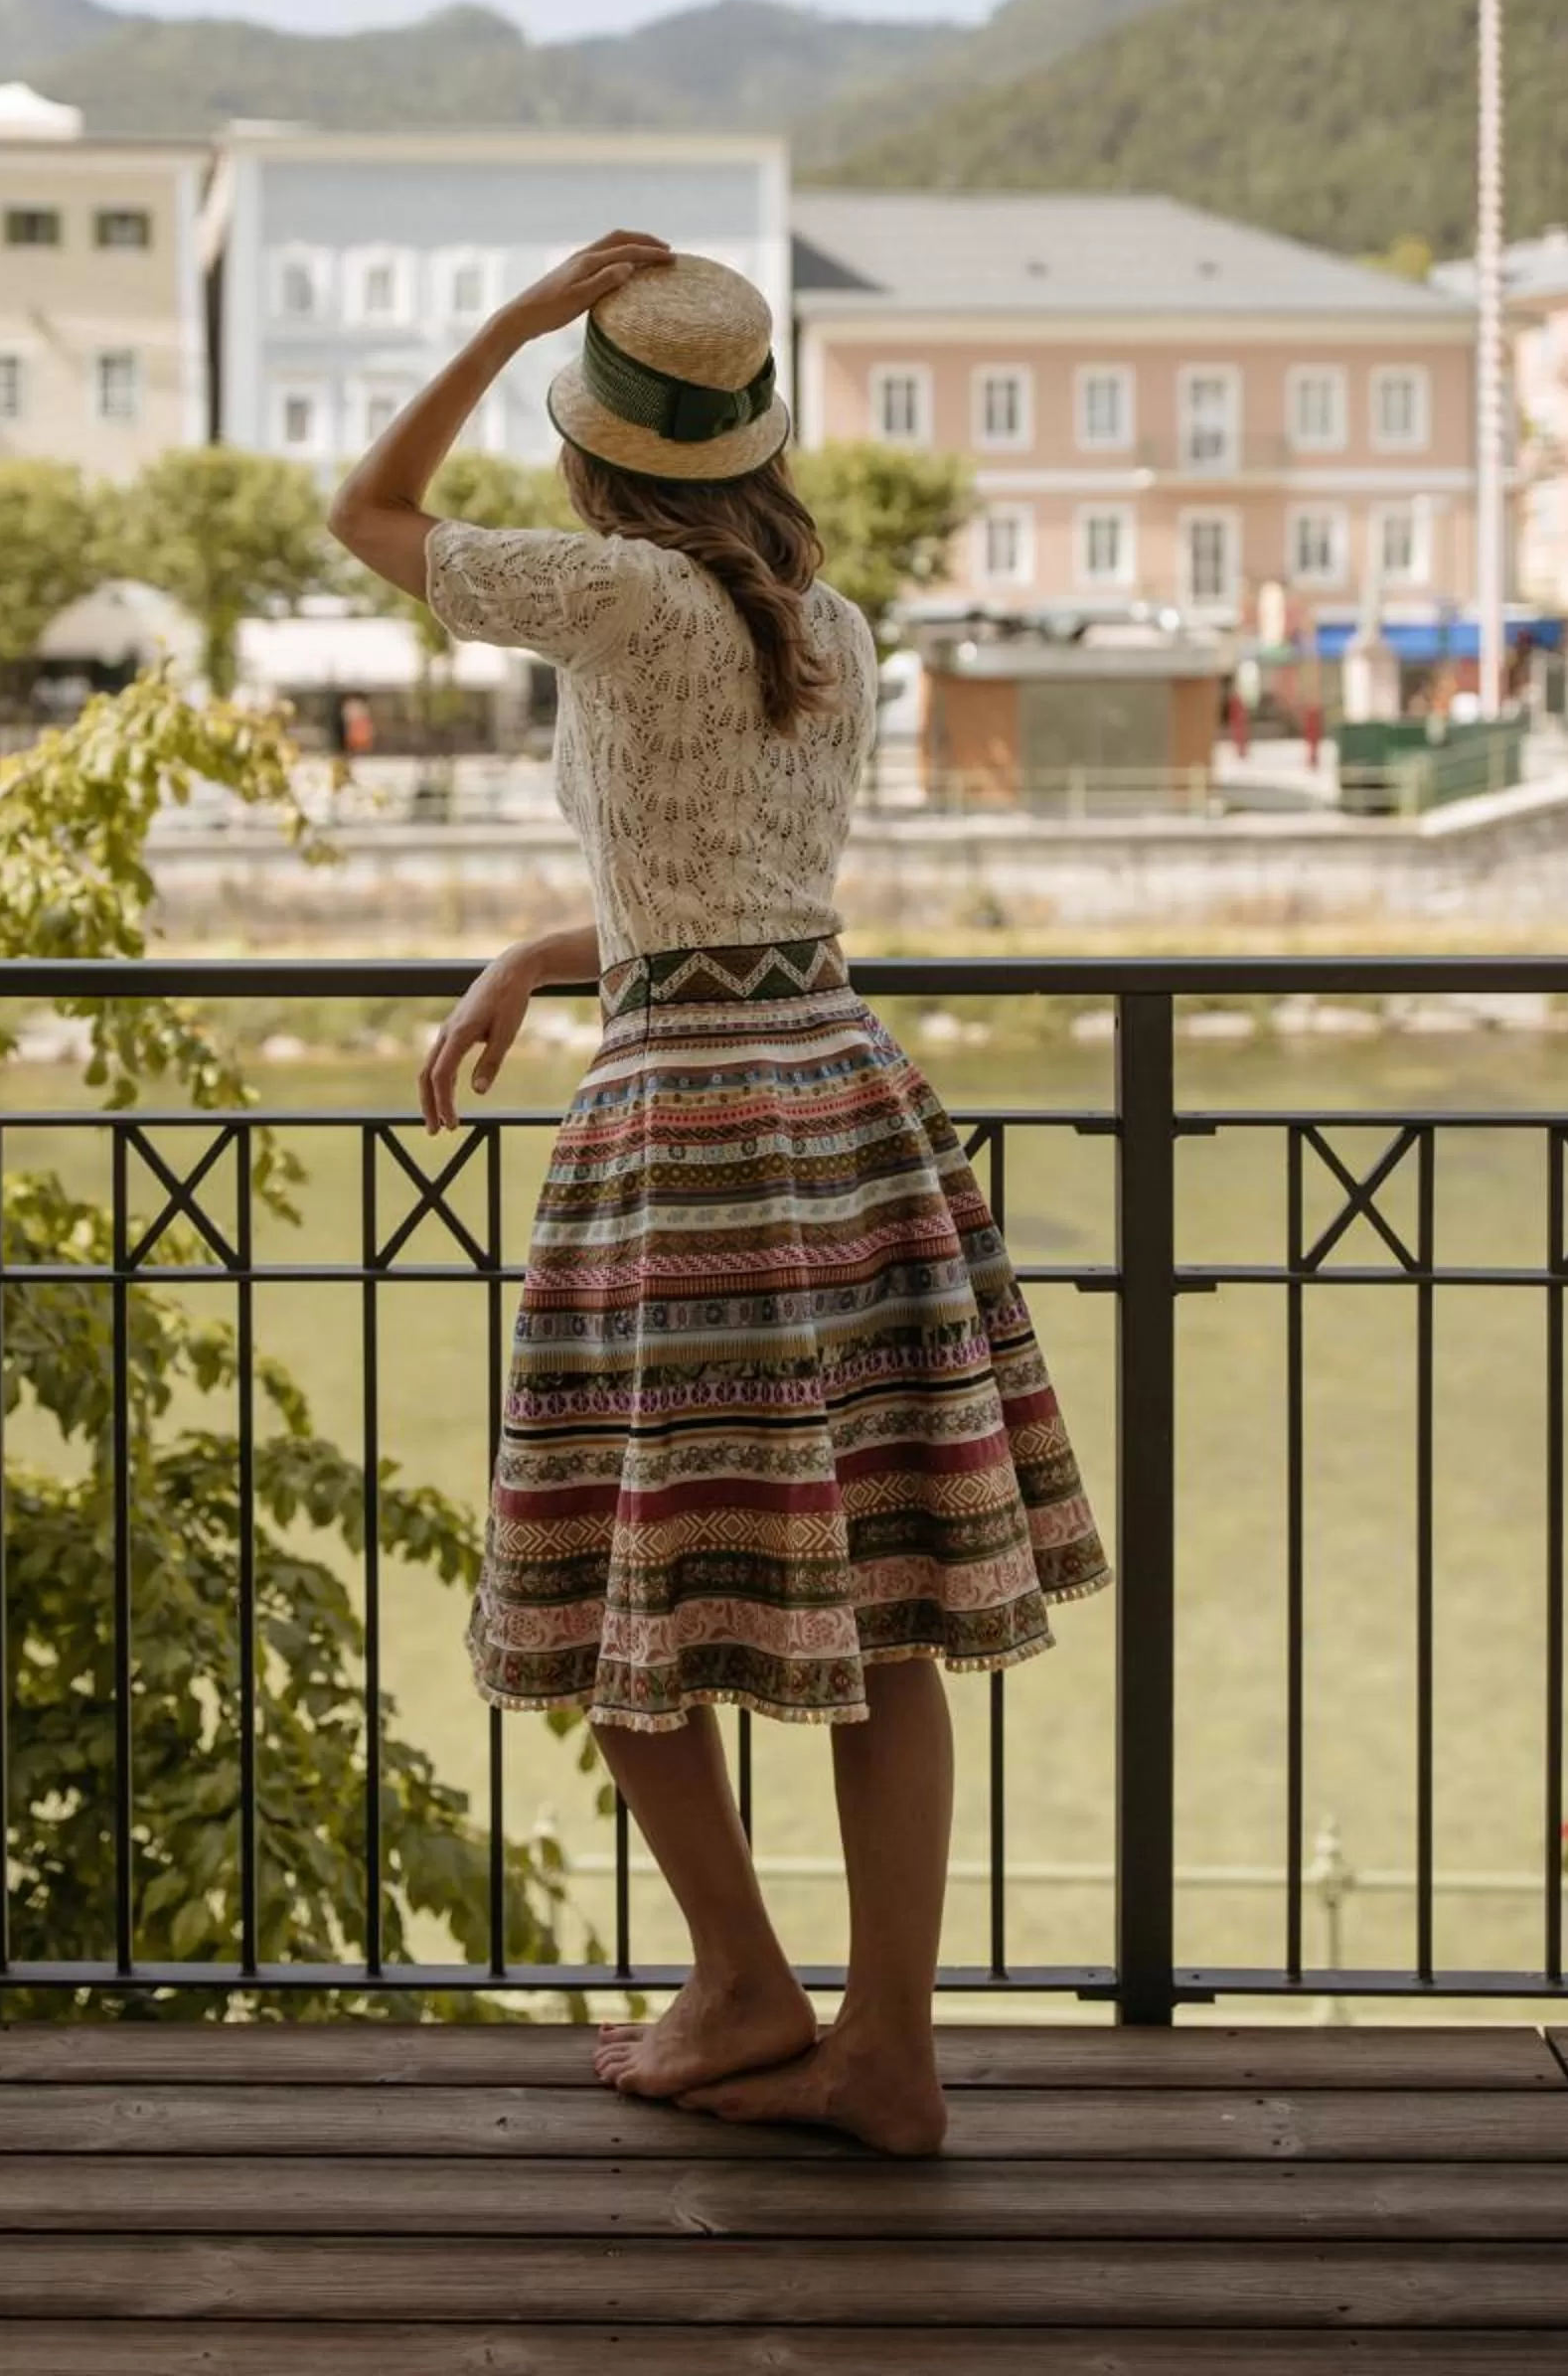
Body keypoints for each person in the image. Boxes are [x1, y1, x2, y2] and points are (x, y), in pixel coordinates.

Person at [328, 234, 1112, 2156]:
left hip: (686, 1136)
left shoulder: (610, 594)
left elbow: (367, 510)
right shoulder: (828, 622)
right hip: (844, 1107)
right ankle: (890, 2050)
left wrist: (512, 322)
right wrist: (550, 945)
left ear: (603, 447)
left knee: (626, 1580)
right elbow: (729, 892)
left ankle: (747, 1979)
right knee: (893, 1606)